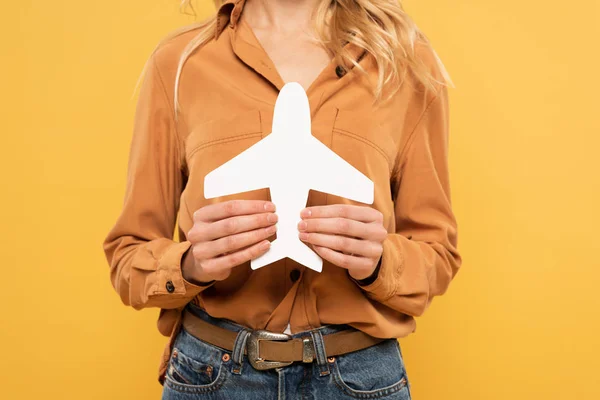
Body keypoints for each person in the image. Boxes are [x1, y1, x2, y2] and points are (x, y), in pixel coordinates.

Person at [102, 0, 462, 398]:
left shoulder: (404, 61)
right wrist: (190, 264)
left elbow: (437, 253)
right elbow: (127, 256)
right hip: (211, 375)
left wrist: (381, 262)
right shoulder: (179, 63)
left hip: (357, 378)